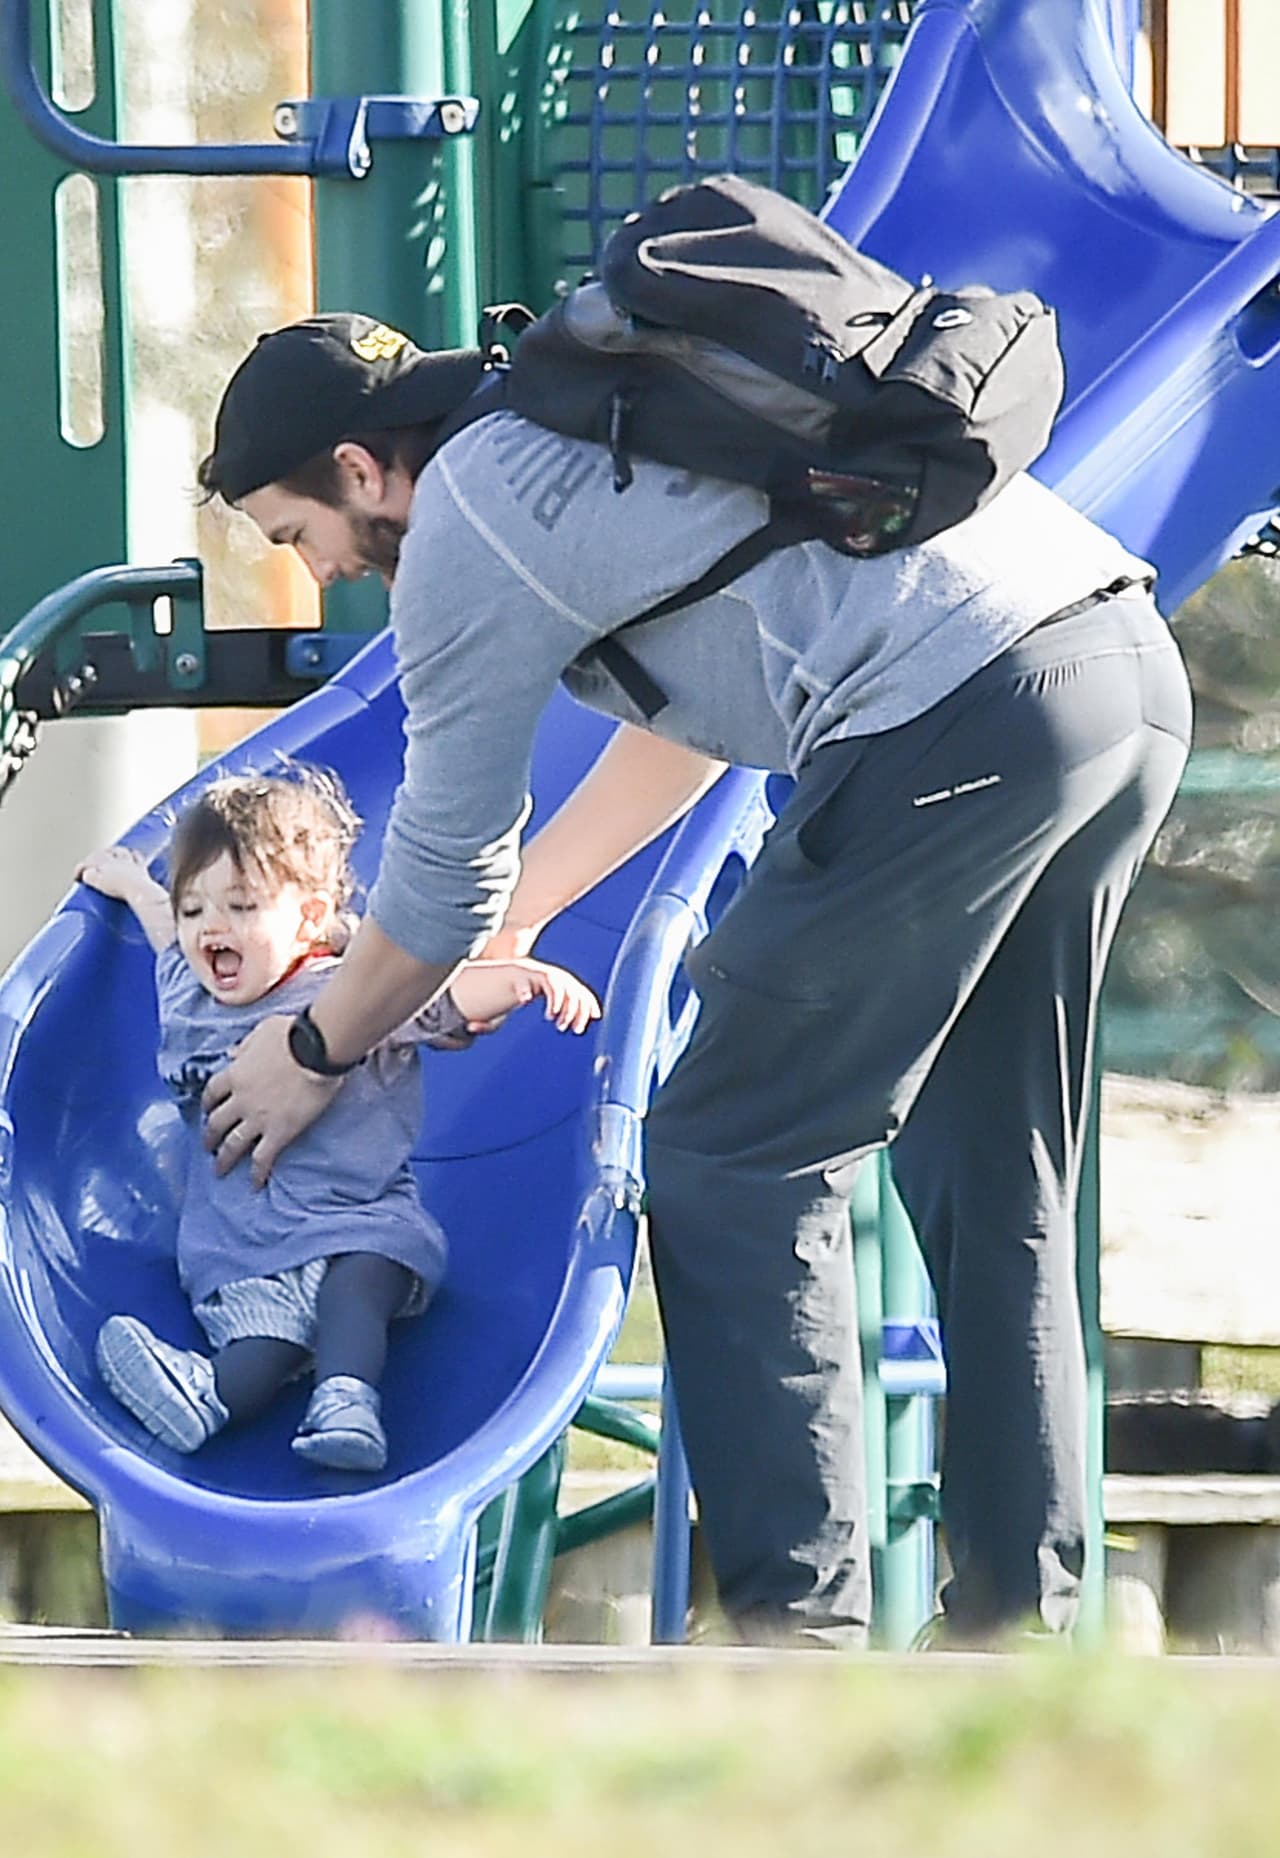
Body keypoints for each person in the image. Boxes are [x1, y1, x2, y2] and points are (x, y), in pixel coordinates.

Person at [191, 312, 1192, 1641]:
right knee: (996, 1170)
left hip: (962, 709)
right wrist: (522, 920)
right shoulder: (586, 413)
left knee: (733, 1148)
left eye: (291, 531)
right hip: (1115, 668)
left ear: (361, 467)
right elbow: (706, 725)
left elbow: (436, 870)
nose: (314, 572)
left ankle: (797, 1636)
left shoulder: (474, 511)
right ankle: (1022, 1631)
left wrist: (311, 1047)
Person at [79, 765, 599, 1473]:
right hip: (244, 1245)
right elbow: (167, 930)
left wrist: (526, 978)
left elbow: (444, 1002)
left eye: (241, 906)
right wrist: (134, 883)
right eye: (198, 909)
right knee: (264, 1343)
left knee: (356, 1290)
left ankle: (348, 1399)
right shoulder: (185, 986)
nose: (211, 929)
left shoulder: (349, 997)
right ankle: (211, 1397)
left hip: (360, 1221)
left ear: (310, 917)